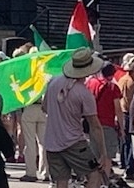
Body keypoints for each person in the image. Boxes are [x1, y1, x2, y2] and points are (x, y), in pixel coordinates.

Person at [43, 47, 106, 188]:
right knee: (95, 174)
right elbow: (94, 125)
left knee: (61, 180)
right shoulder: (84, 93)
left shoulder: (53, 83)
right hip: (74, 142)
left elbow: (45, 108)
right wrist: (103, 153)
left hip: (52, 141)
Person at [85, 61, 124, 178]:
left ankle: (94, 181)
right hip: (107, 125)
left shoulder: (91, 83)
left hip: (93, 124)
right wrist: (122, 128)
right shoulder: (113, 87)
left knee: (96, 156)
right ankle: (104, 182)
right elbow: (118, 108)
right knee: (106, 157)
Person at [118, 53, 134, 180]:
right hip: (131, 113)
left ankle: (124, 164)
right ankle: (130, 168)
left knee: (125, 141)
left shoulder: (121, 80)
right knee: (132, 142)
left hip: (123, 111)